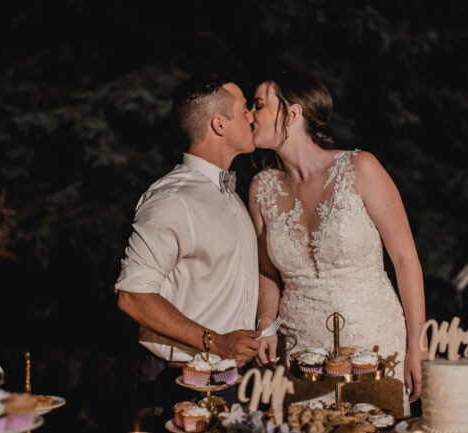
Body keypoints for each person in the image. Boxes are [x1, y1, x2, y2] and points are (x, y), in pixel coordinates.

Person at [247, 71, 426, 417]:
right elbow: (266, 272)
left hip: (374, 341)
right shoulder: (261, 188)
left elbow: (405, 259)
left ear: (293, 113)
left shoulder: (360, 167)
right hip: (302, 349)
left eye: (258, 106)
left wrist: (417, 347)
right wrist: (266, 323)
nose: (249, 115)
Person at [115, 74, 261, 429]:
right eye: (245, 110)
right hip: (178, 383)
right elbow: (132, 296)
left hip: (230, 381)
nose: (253, 117)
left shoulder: (230, 195)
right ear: (219, 124)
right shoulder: (173, 199)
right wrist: (215, 342)